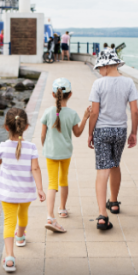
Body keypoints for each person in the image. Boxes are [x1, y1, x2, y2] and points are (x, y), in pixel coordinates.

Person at [87, 50, 138, 230]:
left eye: (100, 67)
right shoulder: (129, 82)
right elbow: (134, 111)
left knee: (103, 169)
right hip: (120, 130)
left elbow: (94, 112)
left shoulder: (98, 84)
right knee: (115, 164)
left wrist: (89, 133)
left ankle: (103, 214)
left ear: (107, 66)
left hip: (102, 130)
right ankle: (114, 202)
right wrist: (134, 133)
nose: (99, 70)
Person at [0, 108, 45, 272]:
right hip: (25, 192)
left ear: (6, 127)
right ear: (26, 126)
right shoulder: (31, 147)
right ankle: (21, 237)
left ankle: (9, 257)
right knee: (23, 214)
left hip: (8, 192)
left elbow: (0, 161)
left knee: (9, 221)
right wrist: (40, 189)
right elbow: (35, 169)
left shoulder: (2, 146)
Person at [39, 78, 92, 233]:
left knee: (52, 184)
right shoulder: (72, 114)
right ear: (70, 95)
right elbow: (77, 133)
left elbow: (43, 135)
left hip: (51, 153)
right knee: (63, 180)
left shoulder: (48, 112)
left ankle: (50, 216)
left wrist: (46, 146)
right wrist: (85, 117)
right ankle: (62, 209)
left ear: (53, 94)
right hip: (65, 153)